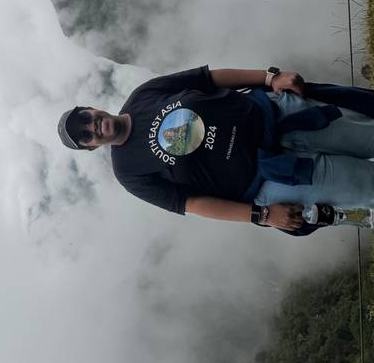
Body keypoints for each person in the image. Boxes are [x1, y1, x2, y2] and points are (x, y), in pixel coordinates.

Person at [57, 66, 374, 236]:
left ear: (91, 107)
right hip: (273, 178)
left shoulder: (143, 95)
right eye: (85, 136)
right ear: (91, 147)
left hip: (279, 115)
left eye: (85, 118)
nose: (92, 127)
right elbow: (192, 203)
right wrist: (262, 216)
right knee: (365, 186)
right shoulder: (128, 172)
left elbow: (208, 79)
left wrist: (270, 77)